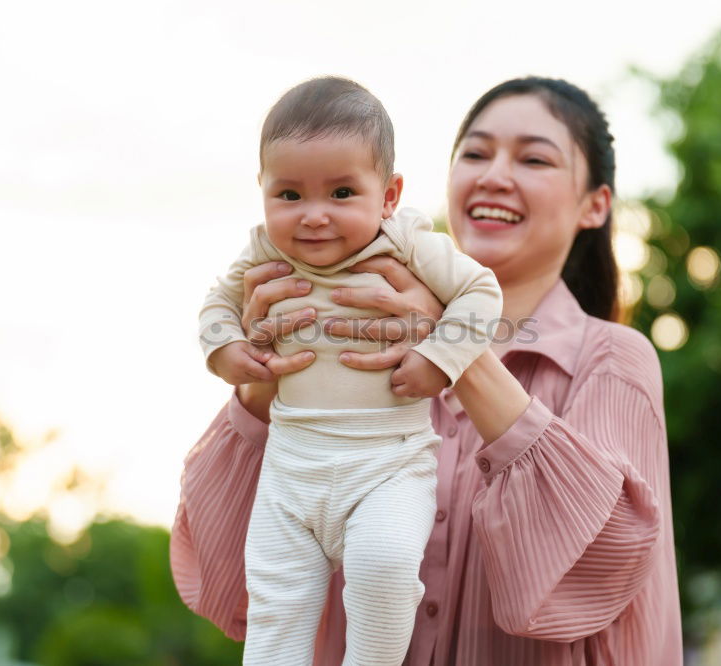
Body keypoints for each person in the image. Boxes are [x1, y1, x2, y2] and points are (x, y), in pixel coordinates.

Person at [171, 76, 683, 665]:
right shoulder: (336, 340)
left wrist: (448, 346)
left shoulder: (612, 360)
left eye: (534, 158)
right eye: (475, 152)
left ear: (595, 204)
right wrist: (268, 367)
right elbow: (225, 586)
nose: (494, 175)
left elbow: (593, 578)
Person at [197, 76, 502, 665]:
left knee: (385, 570)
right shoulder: (264, 251)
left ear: (388, 195)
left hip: (387, 462)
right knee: (277, 604)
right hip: (292, 465)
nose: (313, 217)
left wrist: (437, 359)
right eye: (289, 195)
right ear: (262, 190)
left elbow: (480, 293)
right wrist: (226, 351)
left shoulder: (406, 241)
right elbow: (217, 304)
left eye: (341, 192)